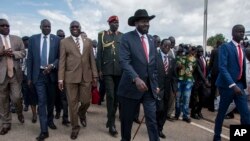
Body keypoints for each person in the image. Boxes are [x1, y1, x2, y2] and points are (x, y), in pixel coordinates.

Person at [118, 9, 160, 141]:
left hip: (149, 89)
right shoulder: (126, 38)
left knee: (152, 121)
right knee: (127, 123)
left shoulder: (152, 39)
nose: (146, 24)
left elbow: (153, 65)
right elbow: (124, 61)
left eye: (147, 21)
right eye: (143, 21)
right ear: (136, 23)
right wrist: (136, 78)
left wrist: (156, 84)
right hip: (130, 88)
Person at [58, 20, 98, 140]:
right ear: (70, 29)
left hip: (86, 76)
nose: (74, 28)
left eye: (77, 26)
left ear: (80, 28)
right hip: (70, 77)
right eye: (72, 27)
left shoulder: (88, 41)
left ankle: (82, 113)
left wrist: (94, 76)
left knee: (86, 101)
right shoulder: (64, 42)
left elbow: (92, 59)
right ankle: (75, 127)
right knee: (72, 104)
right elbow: (62, 61)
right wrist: (60, 79)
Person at [213, 24, 250, 141]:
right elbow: (222, 67)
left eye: (243, 32)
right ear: (233, 33)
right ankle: (217, 136)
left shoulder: (243, 49)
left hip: (239, 84)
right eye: (239, 31)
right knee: (222, 113)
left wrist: (243, 84)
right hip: (226, 86)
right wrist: (232, 85)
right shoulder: (225, 47)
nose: (242, 34)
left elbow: (242, 68)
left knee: (245, 114)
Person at [27, 19, 60, 141]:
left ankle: (50, 121)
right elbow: (29, 59)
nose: (47, 28)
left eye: (49, 26)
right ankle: (44, 130)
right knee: (41, 102)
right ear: (40, 27)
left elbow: (59, 58)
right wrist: (29, 77)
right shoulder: (33, 39)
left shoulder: (56, 39)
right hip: (38, 75)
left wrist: (52, 65)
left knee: (51, 101)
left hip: (51, 75)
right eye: (45, 26)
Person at [96, 15, 123, 136]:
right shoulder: (102, 35)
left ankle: (110, 119)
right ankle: (112, 125)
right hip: (106, 71)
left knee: (116, 98)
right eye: (114, 23)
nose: (116, 25)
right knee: (110, 96)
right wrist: (99, 70)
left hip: (119, 70)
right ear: (109, 24)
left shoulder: (122, 36)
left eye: (117, 23)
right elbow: (99, 54)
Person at [0, 18, 25, 135]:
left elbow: (23, 52)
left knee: (17, 98)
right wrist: (1, 53)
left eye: (7, 26)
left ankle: (20, 113)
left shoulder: (17, 39)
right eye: (3, 26)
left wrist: (13, 53)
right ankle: (6, 123)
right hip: (1, 76)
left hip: (15, 74)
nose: (6, 27)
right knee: (3, 100)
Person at [156, 38, 177, 138]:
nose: (167, 48)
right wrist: (154, 86)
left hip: (168, 90)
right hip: (158, 89)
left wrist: (175, 89)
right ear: (161, 46)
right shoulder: (155, 58)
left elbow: (174, 76)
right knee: (159, 109)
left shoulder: (172, 60)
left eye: (169, 46)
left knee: (164, 110)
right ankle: (154, 127)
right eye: (165, 46)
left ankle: (160, 129)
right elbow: (152, 73)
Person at [175, 44, 196, 123]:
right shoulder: (179, 58)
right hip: (180, 80)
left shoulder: (193, 59)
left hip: (188, 81)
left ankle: (185, 116)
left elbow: (192, 70)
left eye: (191, 49)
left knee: (186, 98)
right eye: (188, 49)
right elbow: (177, 67)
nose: (189, 51)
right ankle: (177, 114)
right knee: (178, 98)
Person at [55, 29, 70, 126]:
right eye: (59, 36)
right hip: (53, 75)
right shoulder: (53, 47)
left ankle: (65, 118)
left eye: (63, 36)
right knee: (56, 97)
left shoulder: (67, 46)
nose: (61, 38)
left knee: (64, 98)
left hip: (65, 76)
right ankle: (57, 112)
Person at [21, 36, 38, 123]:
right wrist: (24, 75)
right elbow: (23, 65)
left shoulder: (38, 50)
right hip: (28, 76)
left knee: (41, 96)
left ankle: (39, 111)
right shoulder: (25, 52)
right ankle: (34, 114)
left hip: (39, 77)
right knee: (32, 96)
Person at [190, 46, 210, 119]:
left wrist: (206, 78)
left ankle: (199, 111)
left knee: (202, 98)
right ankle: (193, 113)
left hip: (203, 81)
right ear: (196, 52)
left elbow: (206, 68)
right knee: (194, 99)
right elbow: (199, 71)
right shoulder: (195, 59)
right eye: (199, 51)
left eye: (202, 51)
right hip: (197, 81)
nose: (201, 53)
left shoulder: (203, 58)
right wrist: (206, 80)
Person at [207, 40, 222, 112]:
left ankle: (211, 107)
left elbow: (210, 63)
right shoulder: (224, 51)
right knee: (221, 91)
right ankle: (220, 107)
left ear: (216, 44)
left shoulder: (214, 51)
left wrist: (207, 73)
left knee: (213, 90)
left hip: (214, 73)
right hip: (222, 73)